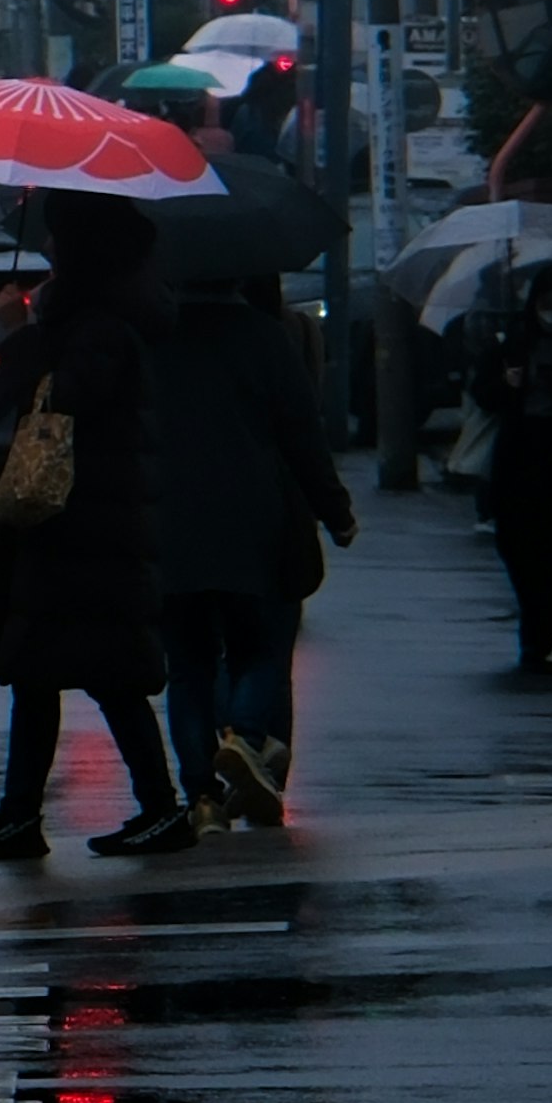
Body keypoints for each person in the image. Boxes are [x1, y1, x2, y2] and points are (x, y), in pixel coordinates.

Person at [0, 195, 187, 861]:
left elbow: (66, 395)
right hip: (76, 526)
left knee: (95, 672)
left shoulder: (101, 323)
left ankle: (154, 808)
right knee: (46, 670)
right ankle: (29, 813)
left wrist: (20, 330)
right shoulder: (93, 313)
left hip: (88, 526)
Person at [150, 243, 355, 829]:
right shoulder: (266, 338)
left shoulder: (154, 337)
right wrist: (335, 512)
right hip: (251, 519)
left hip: (170, 521)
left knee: (186, 665)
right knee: (255, 647)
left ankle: (203, 799)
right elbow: (302, 437)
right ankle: (243, 732)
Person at [468, 257, 552, 674]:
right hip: (519, 452)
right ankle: (534, 612)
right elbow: (483, 392)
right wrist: (507, 384)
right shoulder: (514, 341)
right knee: (514, 541)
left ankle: (542, 626)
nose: (551, 311)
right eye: (544, 301)